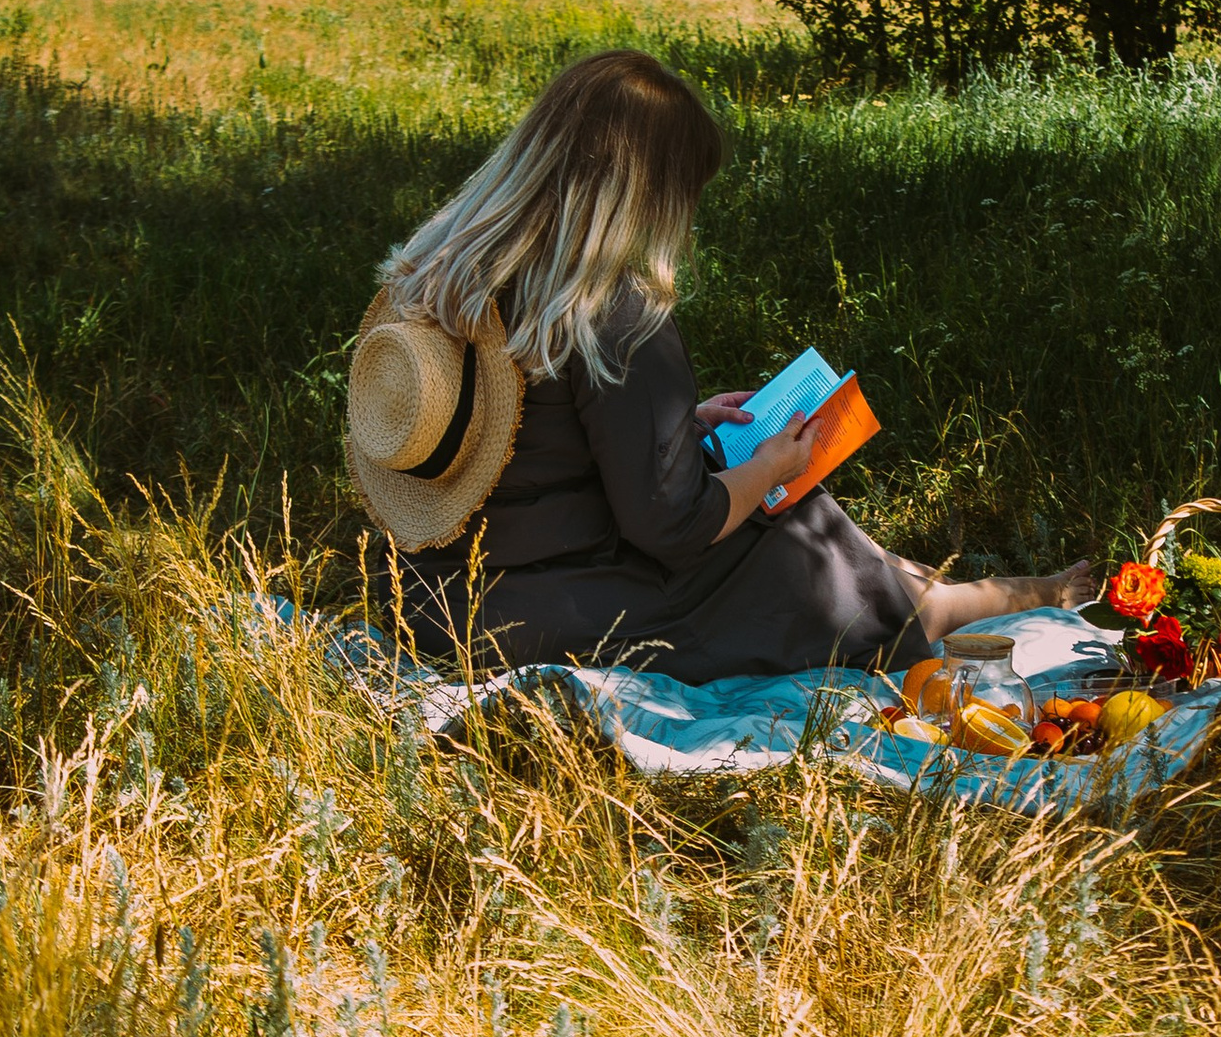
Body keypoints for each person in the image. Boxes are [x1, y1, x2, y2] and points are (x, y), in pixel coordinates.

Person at [345, 49, 1097, 679]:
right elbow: (674, 527)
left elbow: (530, 440)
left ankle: (975, 592)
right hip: (555, 608)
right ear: (649, 192)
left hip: (438, 601)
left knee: (778, 510)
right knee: (794, 530)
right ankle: (991, 600)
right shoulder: (613, 314)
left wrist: (676, 425)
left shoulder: (444, 274)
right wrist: (772, 466)